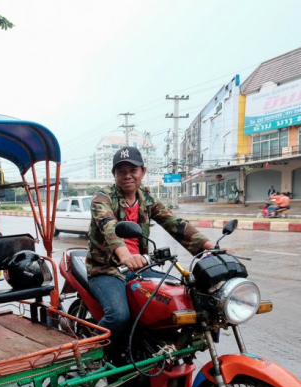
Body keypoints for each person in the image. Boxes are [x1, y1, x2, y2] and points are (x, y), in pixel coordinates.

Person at [87, 146, 218, 363]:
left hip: (139, 268)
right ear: (114, 175)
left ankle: (155, 347)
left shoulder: (146, 198)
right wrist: (125, 255)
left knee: (182, 297)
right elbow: (108, 225)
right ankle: (87, 355)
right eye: (121, 171)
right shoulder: (103, 198)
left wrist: (210, 247)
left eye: (133, 170)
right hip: (106, 269)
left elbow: (174, 223)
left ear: (143, 171)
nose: (127, 175)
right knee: (118, 316)